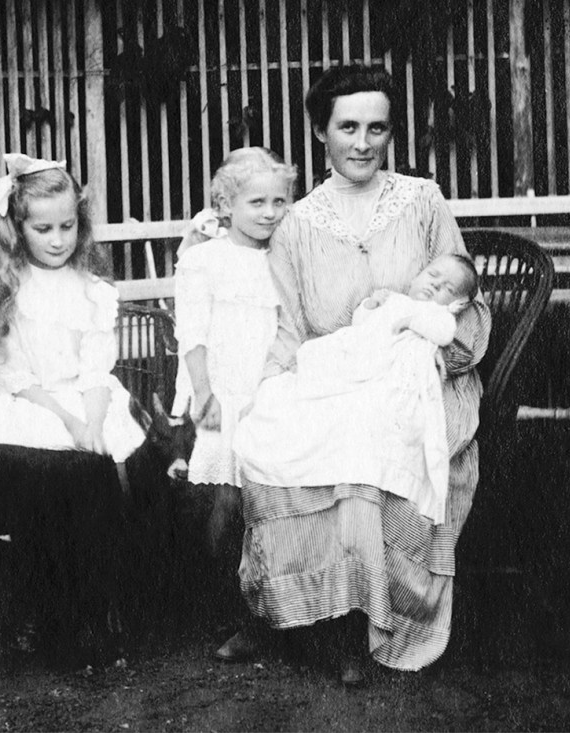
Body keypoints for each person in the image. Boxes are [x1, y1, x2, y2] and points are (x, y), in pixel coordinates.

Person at [221, 64, 491, 682]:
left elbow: (465, 307)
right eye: (348, 127)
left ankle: (363, 624)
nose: (363, 142)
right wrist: (270, 388)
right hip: (335, 377)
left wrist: (431, 355)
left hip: (422, 381)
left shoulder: (422, 201)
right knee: (273, 426)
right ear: (321, 131)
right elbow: (290, 327)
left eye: (377, 127)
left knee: (364, 433)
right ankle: (284, 609)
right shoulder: (296, 224)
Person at [235, 253, 480, 527]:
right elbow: (361, 322)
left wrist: (413, 321)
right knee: (305, 372)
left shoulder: (436, 313)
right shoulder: (395, 299)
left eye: (447, 288)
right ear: (417, 277)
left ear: (457, 304)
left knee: (341, 397)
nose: (435, 286)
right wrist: (371, 304)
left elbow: (444, 332)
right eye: (433, 275)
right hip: (357, 350)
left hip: (379, 365)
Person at [0, 153, 145, 466]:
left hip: (84, 398)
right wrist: (71, 423)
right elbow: (14, 377)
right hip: (23, 399)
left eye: (67, 226)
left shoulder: (93, 291)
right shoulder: (6, 289)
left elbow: (95, 373)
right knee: (45, 439)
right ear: (18, 228)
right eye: (43, 229)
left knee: (112, 439)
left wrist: (93, 425)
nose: (58, 241)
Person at [171, 147, 297, 554]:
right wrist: (204, 392)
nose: (269, 213)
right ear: (226, 204)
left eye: (279, 201)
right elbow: (191, 333)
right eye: (257, 202)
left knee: (264, 491)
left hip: (265, 386)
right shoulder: (204, 259)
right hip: (220, 386)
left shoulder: (283, 259)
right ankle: (210, 583)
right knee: (221, 494)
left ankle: (260, 579)